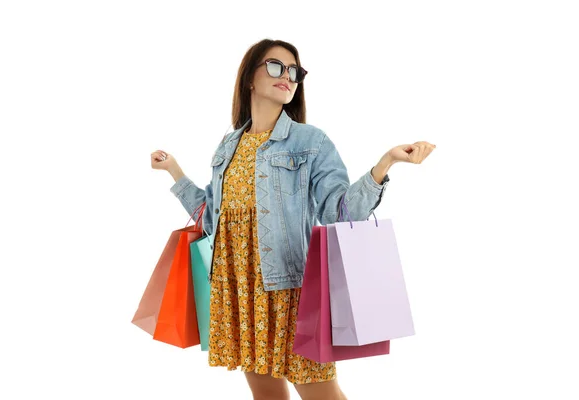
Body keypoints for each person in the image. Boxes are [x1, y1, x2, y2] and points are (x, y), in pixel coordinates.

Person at [150, 39, 435, 400]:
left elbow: (337, 211)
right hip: (238, 287)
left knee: (319, 391)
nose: (287, 76)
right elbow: (212, 220)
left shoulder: (309, 141)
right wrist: (174, 172)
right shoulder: (227, 146)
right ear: (249, 78)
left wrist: (384, 165)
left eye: (293, 71)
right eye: (275, 66)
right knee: (266, 394)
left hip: (287, 287)